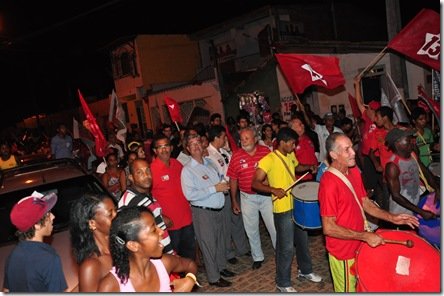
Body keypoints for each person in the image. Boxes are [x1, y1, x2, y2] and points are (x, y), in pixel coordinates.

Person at [318, 132, 419, 292]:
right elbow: (329, 228)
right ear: (333, 155)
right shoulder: (329, 184)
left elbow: (365, 202)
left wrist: (392, 218)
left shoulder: (354, 171)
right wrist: (365, 235)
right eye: (347, 150)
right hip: (343, 252)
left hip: (359, 244)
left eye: (352, 147)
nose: (353, 152)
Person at [252, 127, 321, 292]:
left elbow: (296, 168)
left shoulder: (290, 155)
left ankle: (305, 271)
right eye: (291, 143)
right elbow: (255, 183)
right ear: (282, 142)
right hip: (282, 210)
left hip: (296, 204)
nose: (294, 146)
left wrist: (309, 167)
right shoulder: (268, 159)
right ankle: (282, 282)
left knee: (303, 242)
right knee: (286, 247)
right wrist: (273, 190)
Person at [98, 206, 198, 292]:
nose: (161, 232)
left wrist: (190, 279)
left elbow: (190, 264)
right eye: (154, 230)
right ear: (133, 245)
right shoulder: (111, 286)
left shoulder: (164, 264)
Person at [181, 133, 234, 287]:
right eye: (192, 144)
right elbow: (190, 195)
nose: (197, 146)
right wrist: (214, 189)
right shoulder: (188, 170)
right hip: (203, 212)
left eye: (198, 143)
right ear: (188, 149)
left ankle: (221, 268)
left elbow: (218, 181)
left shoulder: (209, 162)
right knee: (208, 244)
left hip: (218, 208)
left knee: (220, 241)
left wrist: (223, 187)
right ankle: (213, 277)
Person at [227, 127, 276, 270]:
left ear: (255, 139)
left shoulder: (265, 152)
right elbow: (233, 179)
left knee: (273, 226)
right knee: (251, 229)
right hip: (247, 198)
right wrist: (234, 200)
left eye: (247, 138)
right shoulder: (236, 156)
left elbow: (273, 171)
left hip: (266, 196)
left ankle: (280, 251)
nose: (243, 141)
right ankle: (257, 257)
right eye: (242, 139)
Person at [3, 191, 67, 292]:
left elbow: (6, 290)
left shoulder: (12, 256)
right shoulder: (49, 259)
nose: (53, 217)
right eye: (48, 214)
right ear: (36, 225)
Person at [206, 125, 250, 265]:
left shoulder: (224, 151)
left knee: (237, 220)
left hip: (233, 189)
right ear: (216, 137)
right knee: (225, 225)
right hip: (223, 192)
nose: (226, 139)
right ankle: (228, 252)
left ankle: (242, 248)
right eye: (223, 137)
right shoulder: (208, 155)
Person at [150, 133, 195, 260]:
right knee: (173, 258)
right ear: (155, 151)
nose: (164, 149)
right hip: (169, 224)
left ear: (171, 148)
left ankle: (191, 279)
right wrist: (160, 217)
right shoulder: (152, 170)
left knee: (189, 255)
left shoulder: (177, 164)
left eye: (166, 146)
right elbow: (148, 198)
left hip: (186, 219)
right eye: (160, 147)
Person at [119, 158, 174, 255]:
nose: (146, 175)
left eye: (148, 170)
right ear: (131, 177)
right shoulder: (129, 201)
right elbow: (126, 236)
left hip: (164, 252)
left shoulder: (146, 194)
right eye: (140, 172)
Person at [384, 128, 439, 219]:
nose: (412, 142)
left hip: (415, 208)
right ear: (397, 143)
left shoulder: (412, 155)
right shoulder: (392, 166)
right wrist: (421, 212)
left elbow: (424, 171)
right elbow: (396, 196)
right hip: (401, 214)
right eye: (408, 140)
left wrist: (437, 188)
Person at [69, 193, 117, 292]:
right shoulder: (91, 265)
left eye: (116, 211)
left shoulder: (121, 246)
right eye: (110, 214)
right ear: (92, 223)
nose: (117, 216)